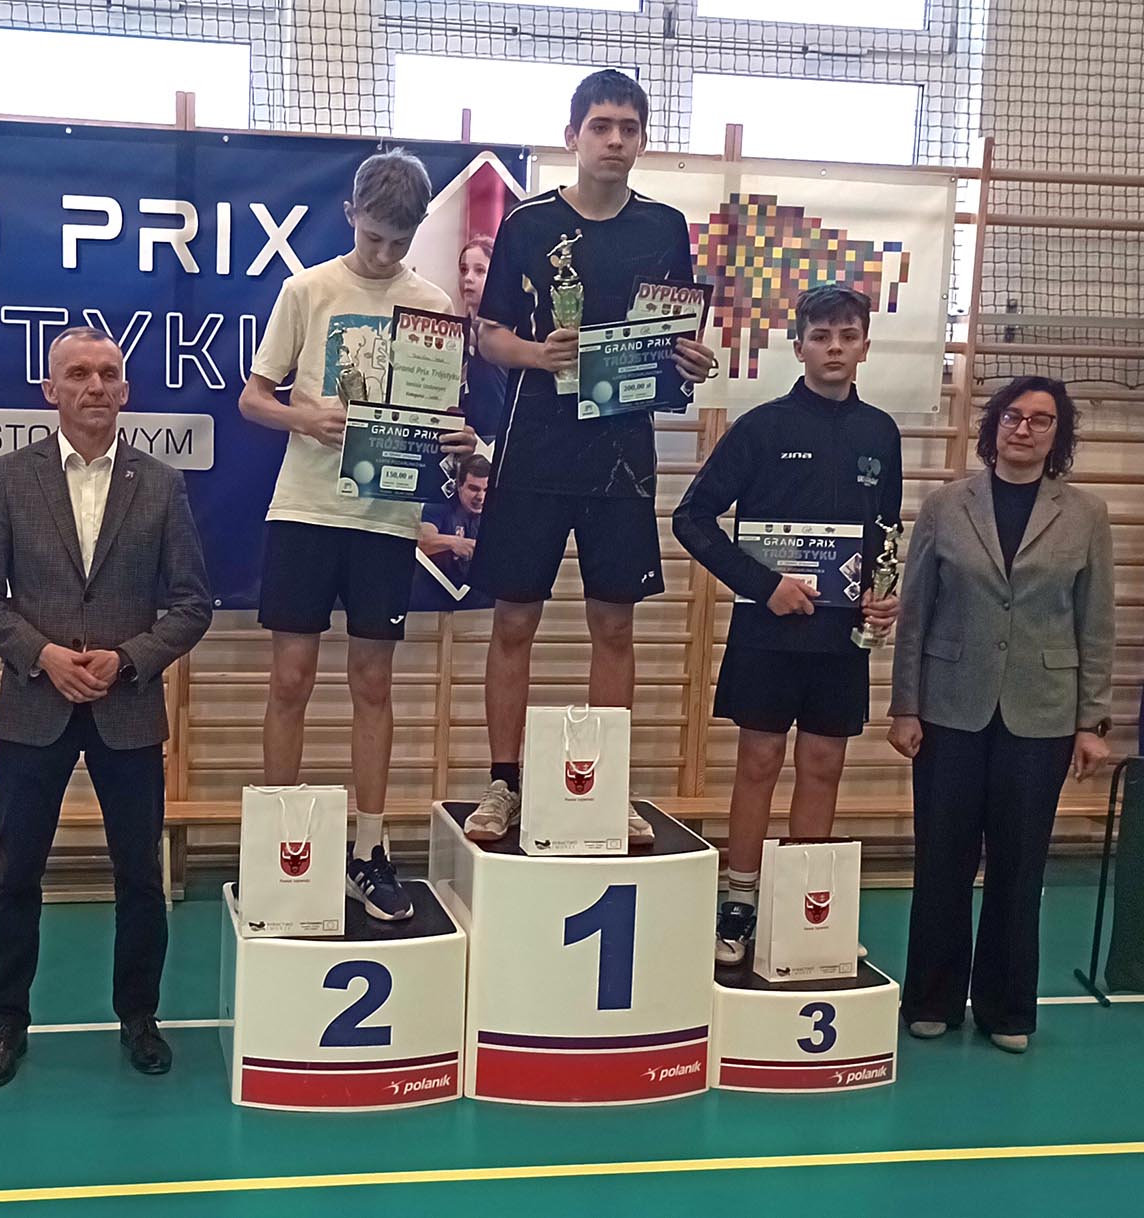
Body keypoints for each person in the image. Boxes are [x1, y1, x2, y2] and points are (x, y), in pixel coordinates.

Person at [463, 69, 718, 842]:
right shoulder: (529, 224)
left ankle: (605, 786)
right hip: (535, 446)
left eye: (628, 128)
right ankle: (503, 784)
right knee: (515, 620)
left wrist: (688, 361)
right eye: (601, 126)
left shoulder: (664, 228)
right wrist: (537, 355)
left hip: (621, 452)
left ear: (642, 139)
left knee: (614, 625)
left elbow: (670, 338)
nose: (614, 140)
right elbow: (489, 335)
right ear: (572, 135)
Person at [0, 327, 212, 1086]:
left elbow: (192, 604)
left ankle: (139, 1017)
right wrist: (42, 655)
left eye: (107, 374)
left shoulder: (161, 485)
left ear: (125, 391)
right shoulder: (8, 478)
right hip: (34, 704)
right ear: (51, 390)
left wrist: (127, 658)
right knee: (15, 875)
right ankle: (7, 1022)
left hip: (126, 707)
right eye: (77, 374)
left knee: (141, 876)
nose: (94, 386)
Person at [240, 150, 476, 921]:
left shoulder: (432, 303)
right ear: (350, 216)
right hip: (306, 509)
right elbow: (252, 398)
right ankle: (280, 844)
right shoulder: (307, 290)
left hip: (385, 519)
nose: (382, 253)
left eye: (398, 241)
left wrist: (457, 439)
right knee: (290, 679)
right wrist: (302, 417)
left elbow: (442, 416)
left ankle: (369, 850)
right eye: (373, 236)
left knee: (373, 685)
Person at [672, 285, 902, 962]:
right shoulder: (762, 427)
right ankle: (739, 903)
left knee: (824, 764)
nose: (834, 348)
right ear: (798, 346)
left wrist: (883, 595)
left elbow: (885, 534)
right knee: (759, 761)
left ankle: (803, 907)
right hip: (768, 630)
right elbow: (691, 518)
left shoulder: (880, 432)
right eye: (821, 336)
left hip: (841, 635)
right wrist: (763, 585)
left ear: (864, 347)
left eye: (847, 336)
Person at [888, 376, 1113, 1054]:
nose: (1024, 429)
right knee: (942, 860)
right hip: (949, 709)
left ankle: (1007, 1010)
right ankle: (930, 999)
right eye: (1013, 416)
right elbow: (914, 614)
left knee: (1020, 866)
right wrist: (905, 706)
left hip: (1042, 715)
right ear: (994, 426)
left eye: (1041, 420)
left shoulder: (1087, 514)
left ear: (1058, 435)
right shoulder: (946, 505)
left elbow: (1096, 621)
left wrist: (1091, 721)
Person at [456, 236, 507, 439]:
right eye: (463, 270)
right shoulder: (453, 329)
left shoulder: (513, 334)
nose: (468, 278)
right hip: (463, 437)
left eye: (480, 271)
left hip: (498, 436)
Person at [419, 454, 489, 587]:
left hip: (475, 591)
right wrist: (454, 543)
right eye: (474, 488)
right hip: (437, 588)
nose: (481, 497)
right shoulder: (440, 504)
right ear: (459, 485)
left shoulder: (494, 510)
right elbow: (422, 540)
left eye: (486, 490)